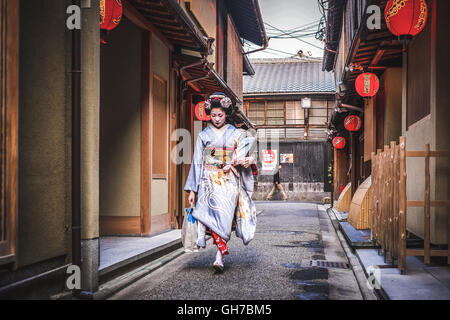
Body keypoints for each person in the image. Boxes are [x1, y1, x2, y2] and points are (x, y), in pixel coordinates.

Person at [184, 93, 257, 273]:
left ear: (226, 114)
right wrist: (192, 189)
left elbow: (243, 156)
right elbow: (197, 162)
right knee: (207, 213)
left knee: (224, 215)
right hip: (208, 179)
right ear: (209, 114)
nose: (217, 119)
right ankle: (221, 249)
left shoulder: (236, 133)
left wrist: (248, 160)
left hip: (229, 179)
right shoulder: (203, 135)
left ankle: (219, 254)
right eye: (214, 115)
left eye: (220, 115)